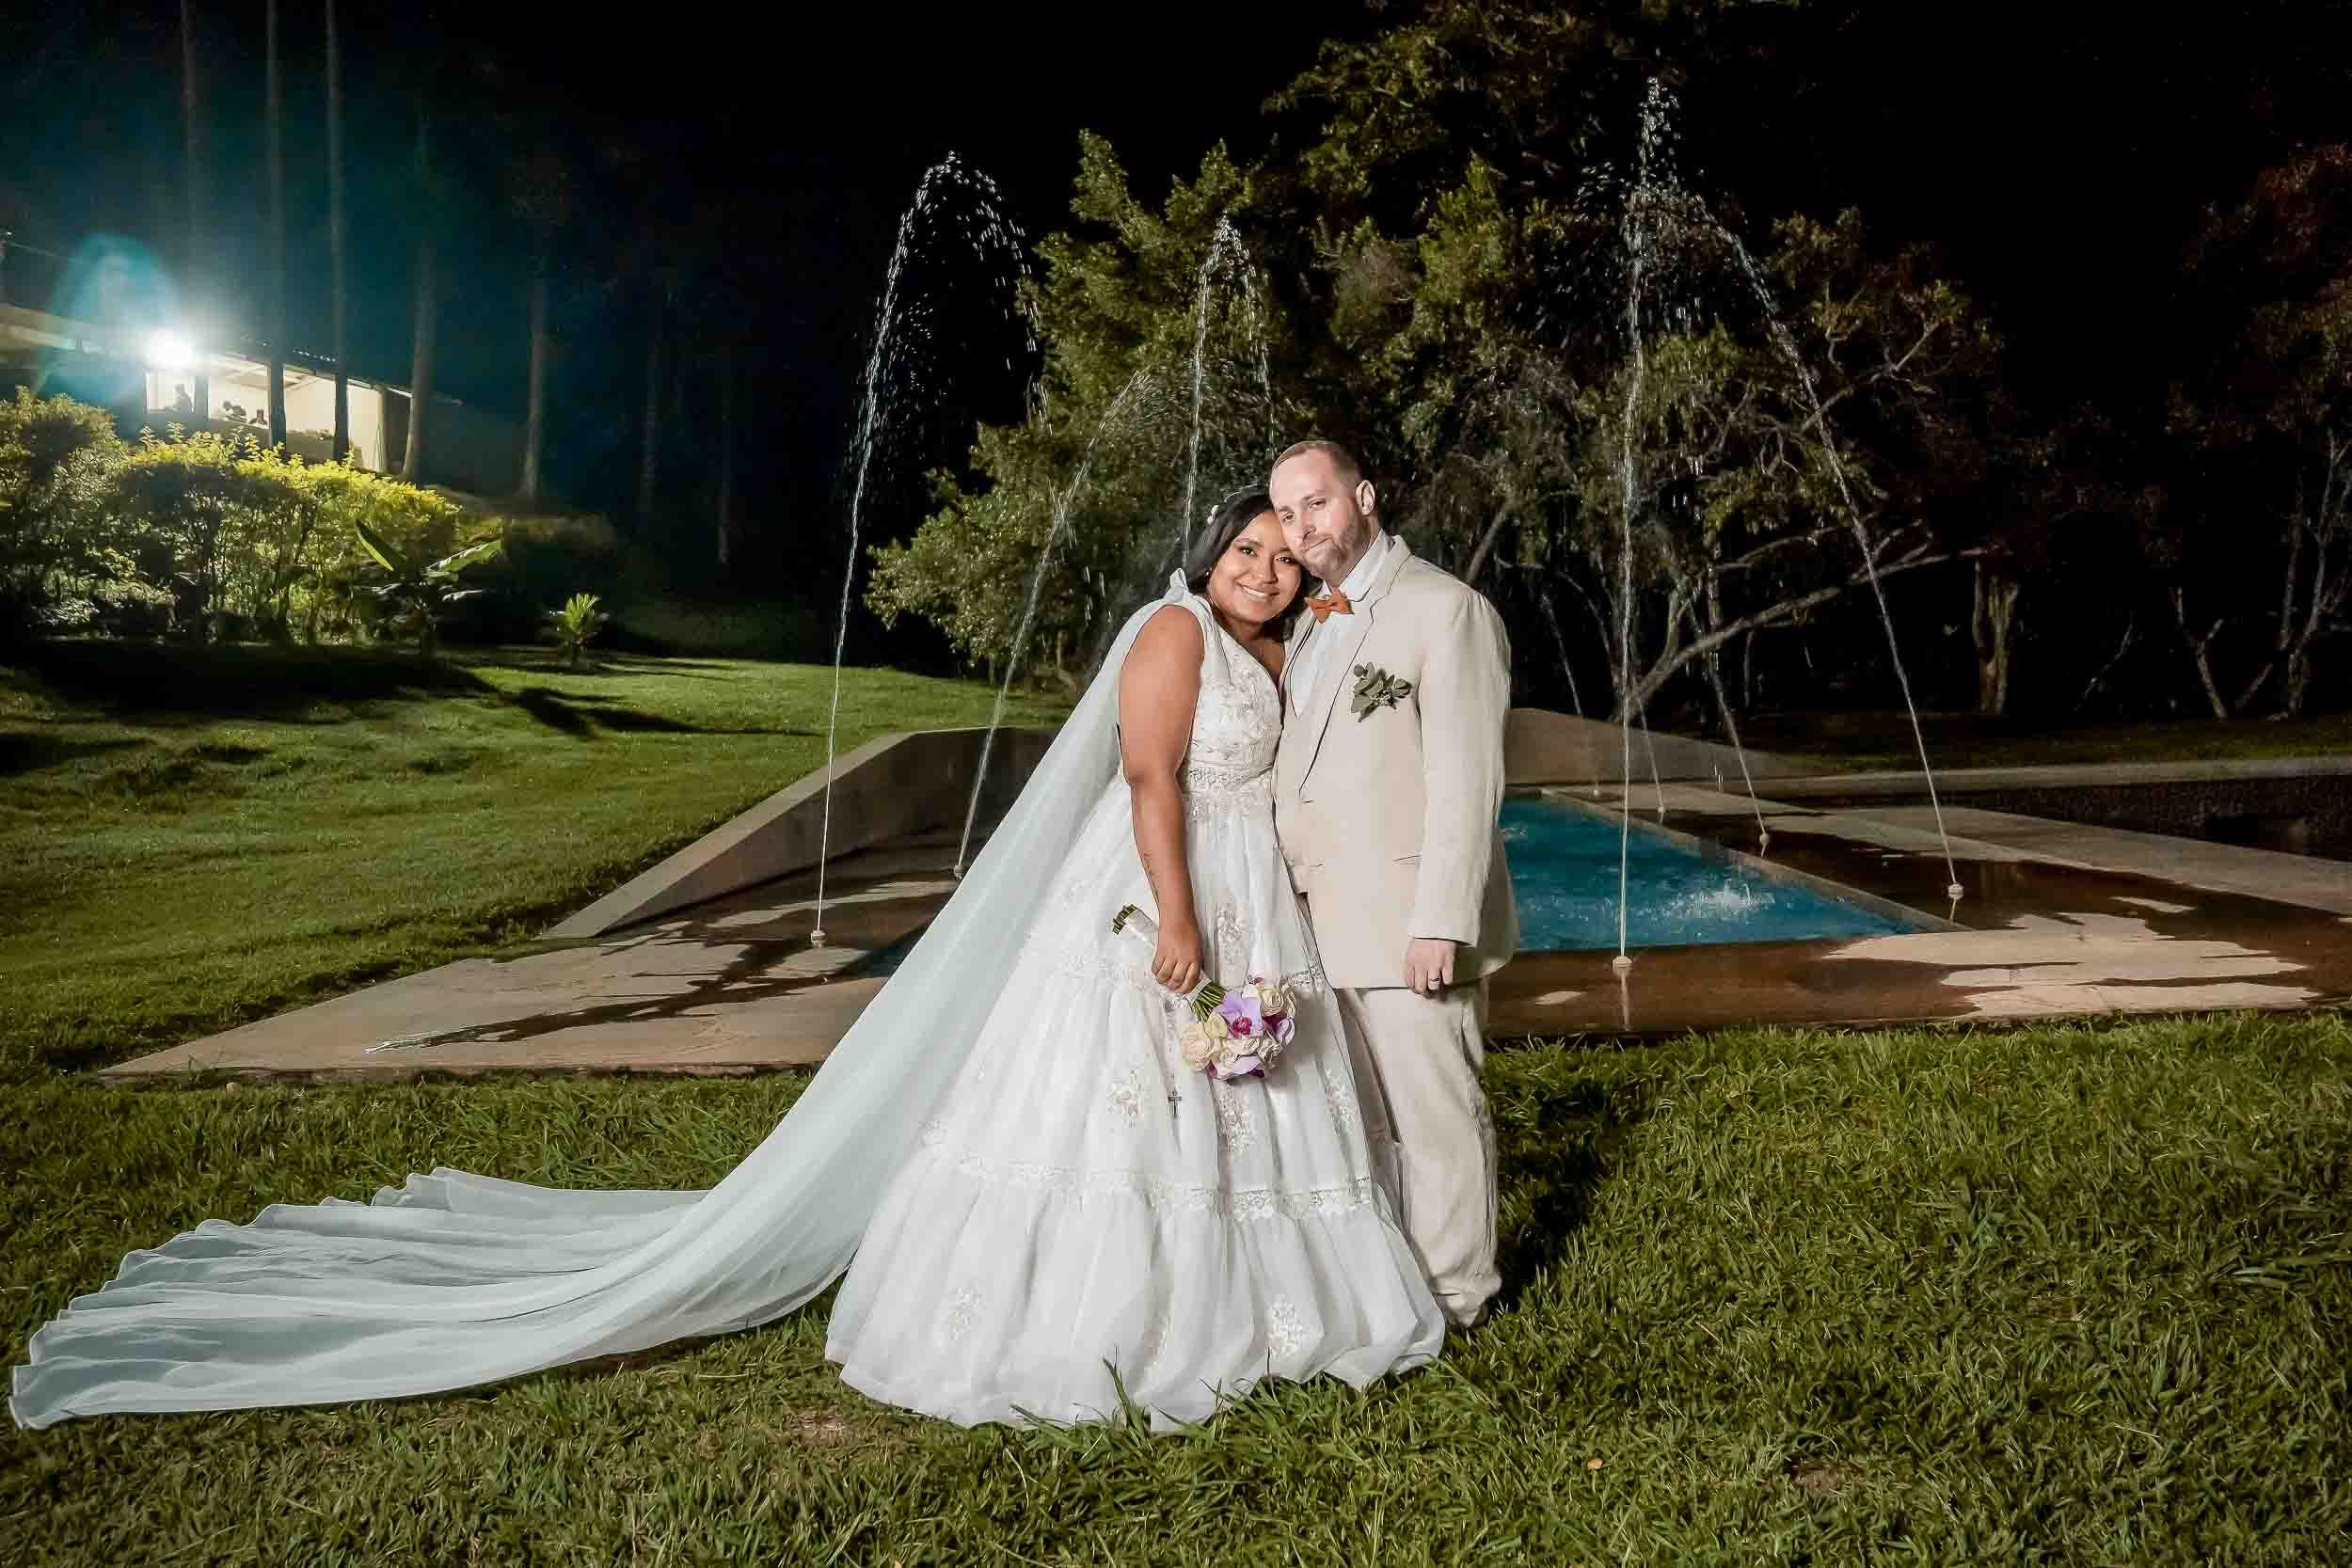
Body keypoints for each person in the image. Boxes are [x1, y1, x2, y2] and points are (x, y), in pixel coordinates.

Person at [11, 486, 1443, 1432]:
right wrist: (1178, 917)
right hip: (1164, 889)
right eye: (1245, 547)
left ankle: (1264, 1304)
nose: (1263, 567)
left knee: (1250, 1103)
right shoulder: (1175, 633)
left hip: (1258, 895)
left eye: (1283, 555)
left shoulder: (1275, 646)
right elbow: (1147, 780)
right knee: (1119, 1103)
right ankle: (1108, 1316)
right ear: (1206, 550)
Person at [1267, 438, 1518, 1330]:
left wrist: (1441, 920)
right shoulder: (1309, 623)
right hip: (1324, 920)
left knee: (1436, 1115)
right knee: (1370, 1123)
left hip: (1410, 922)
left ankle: (1460, 1296)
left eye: (1317, 502)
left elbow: (1466, 781)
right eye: (1287, 514)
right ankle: (1397, 1287)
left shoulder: (1446, 610)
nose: (1302, 527)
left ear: (1366, 497)